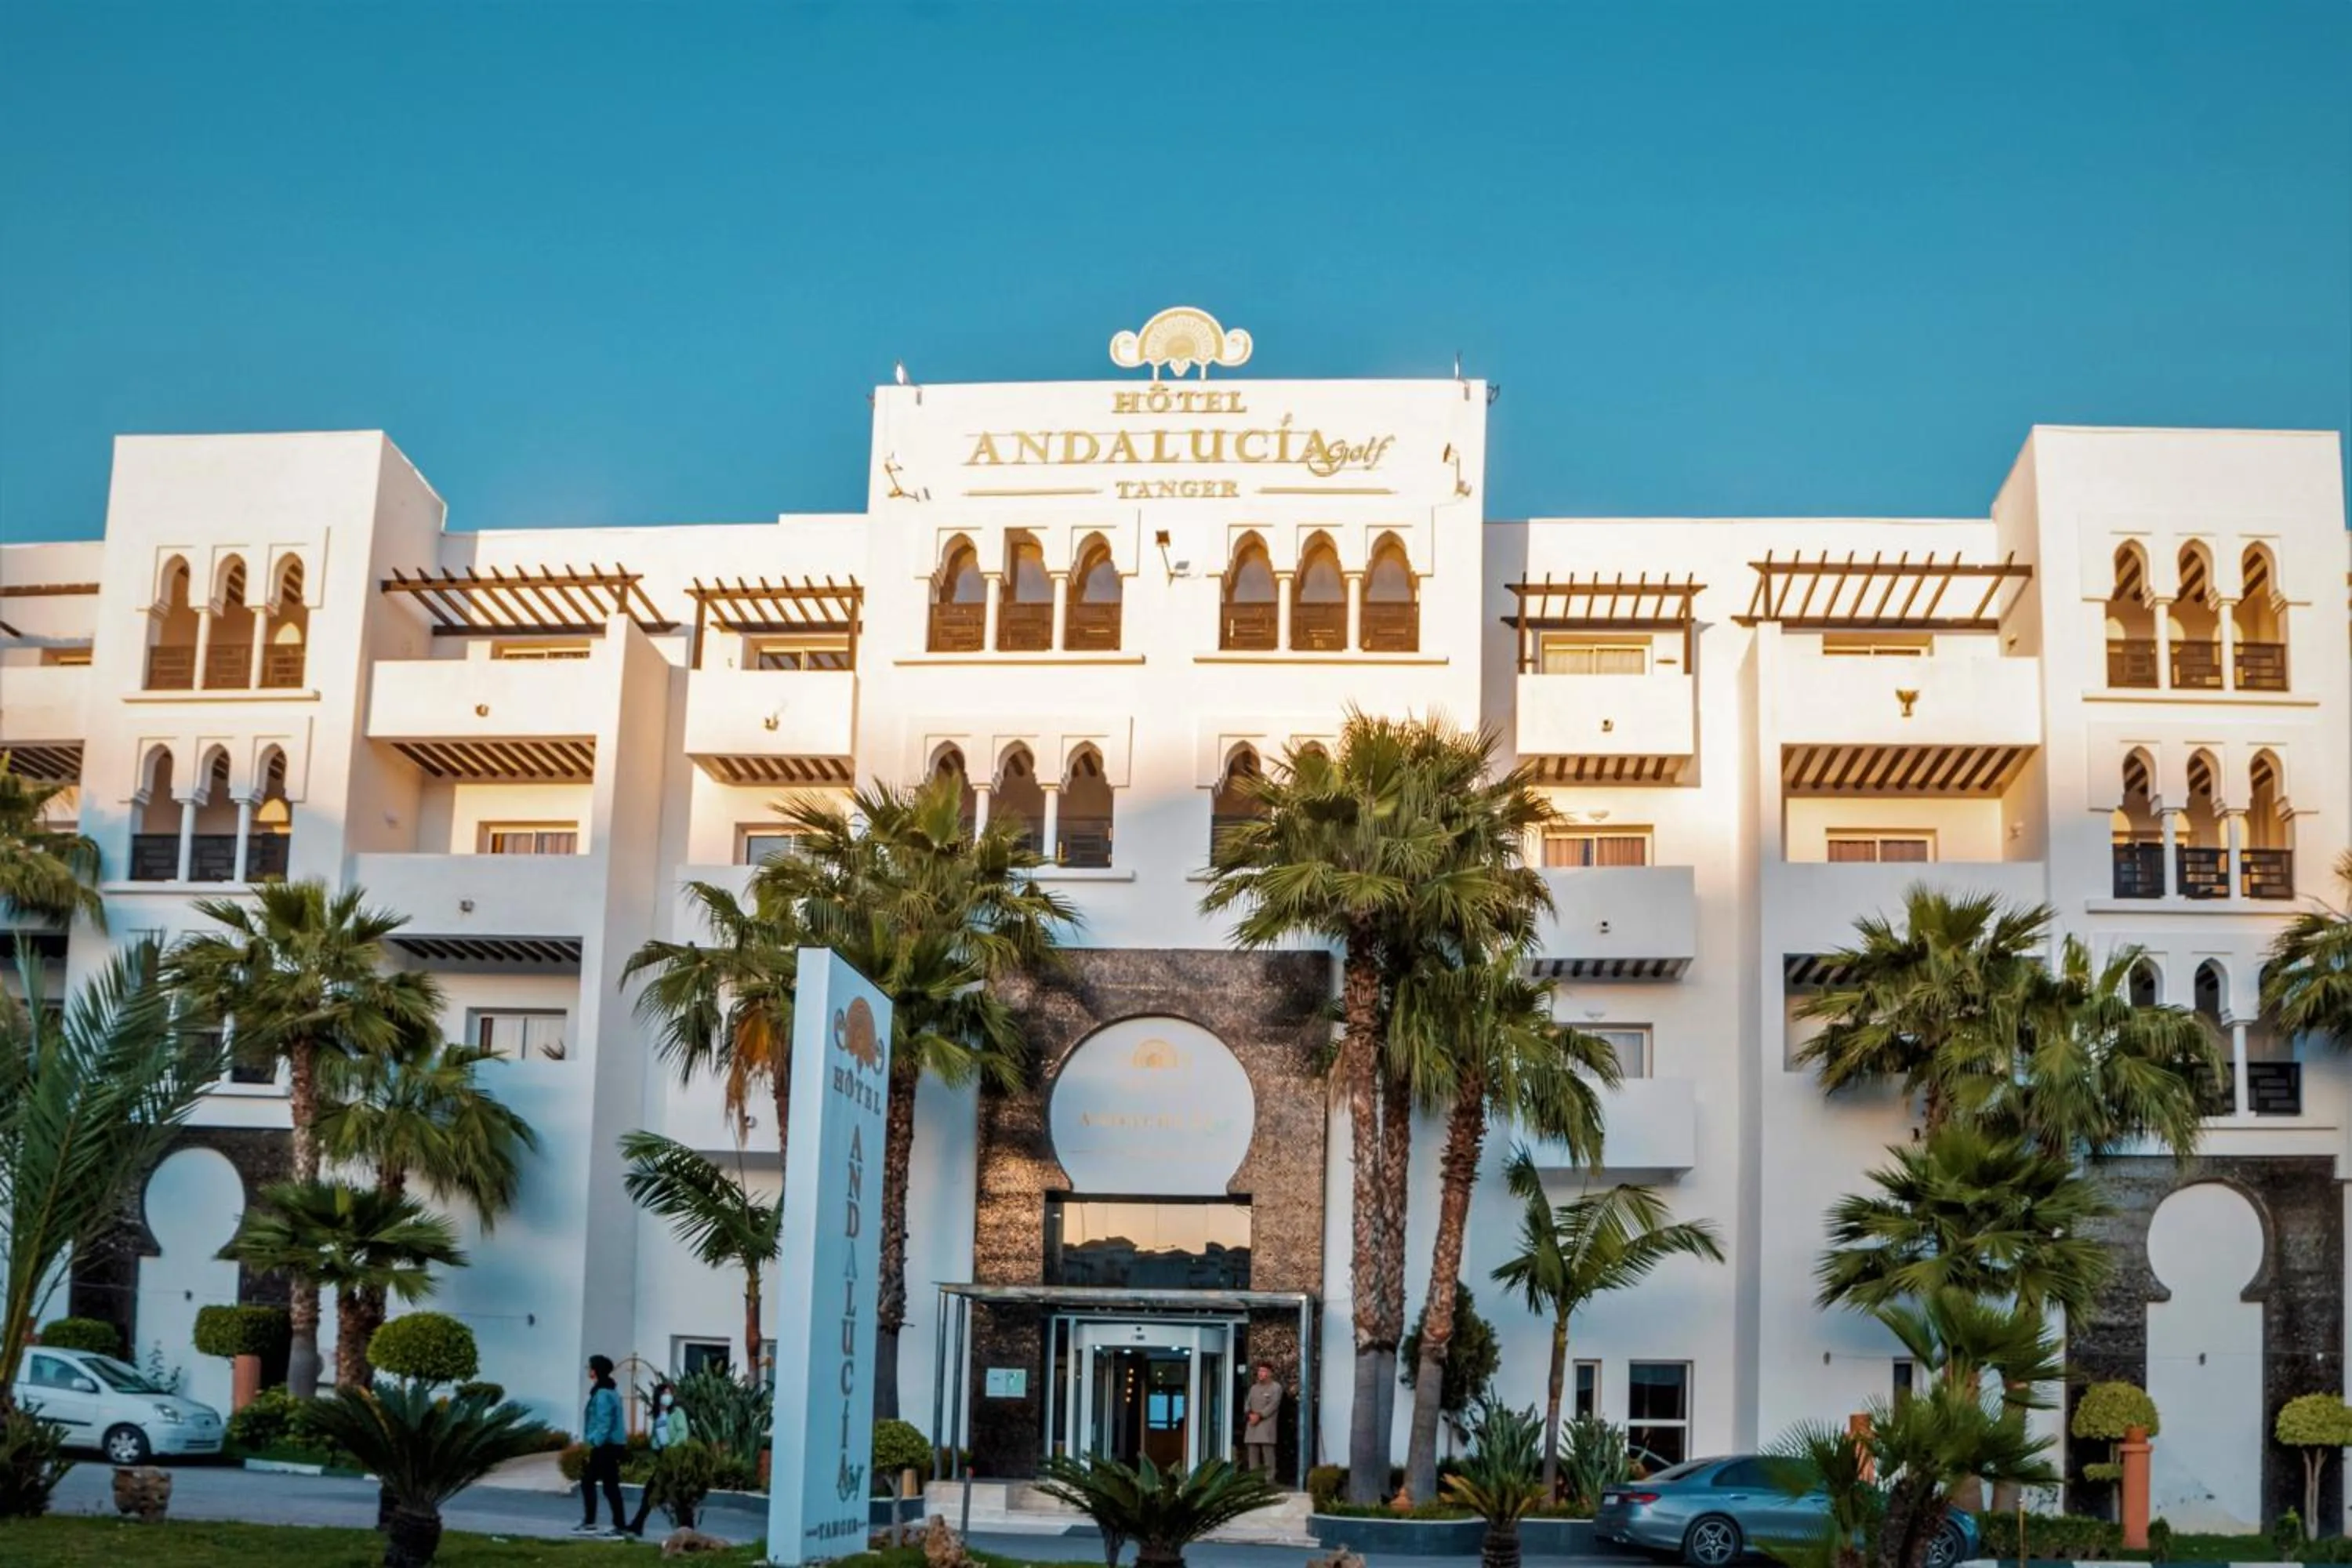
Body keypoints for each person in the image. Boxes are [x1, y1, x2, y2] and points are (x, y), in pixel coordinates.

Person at [624, 1379, 691, 1538]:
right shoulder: (658, 1415)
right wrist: (657, 1446)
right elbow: (655, 1436)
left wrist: (672, 1448)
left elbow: (683, 1433)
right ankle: (637, 1525)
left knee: (677, 1495)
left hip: (675, 1456)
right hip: (663, 1456)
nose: (668, 1397)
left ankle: (687, 1529)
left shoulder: (677, 1413)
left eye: (669, 1394)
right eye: (665, 1394)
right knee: (651, 1491)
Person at [574, 1354, 627, 1536]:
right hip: (612, 1445)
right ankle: (617, 1524)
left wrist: (595, 1443)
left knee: (590, 1482)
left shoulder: (603, 1393)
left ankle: (593, 1521)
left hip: (606, 1445)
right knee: (609, 1484)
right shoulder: (610, 1390)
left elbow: (604, 1422)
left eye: (590, 1367)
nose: (588, 1370)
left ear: (595, 1370)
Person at [1243, 1361, 1283, 1481]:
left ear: (1270, 1373)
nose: (1261, 1374)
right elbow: (1247, 1404)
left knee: (1268, 1454)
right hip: (1252, 1424)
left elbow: (1274, 1405)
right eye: (1260, 1371)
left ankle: (1269, 1480)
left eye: (1264, 1371)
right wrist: (1250, 1414)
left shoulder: (1276, 1388)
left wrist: (1260, 1415)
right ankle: (1254, 1480)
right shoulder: (1254, 1388)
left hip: (1266, 1425)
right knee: (1252, 1454)